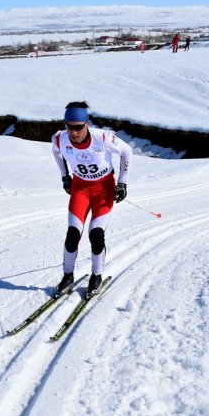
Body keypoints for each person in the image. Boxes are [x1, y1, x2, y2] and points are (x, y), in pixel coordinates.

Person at [51, 102, 132, 296]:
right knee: (72, 233)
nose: (74, 132)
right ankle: (68, 276)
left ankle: (96, 276)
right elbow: (56, 153)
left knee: (96, 234)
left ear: (87, 124)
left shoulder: (102, 138)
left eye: (79, 127)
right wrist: (65, 176)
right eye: (69, 126)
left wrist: (122, 182)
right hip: (80, 189)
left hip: (103, 189)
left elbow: (127, 151)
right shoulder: (59, 139)